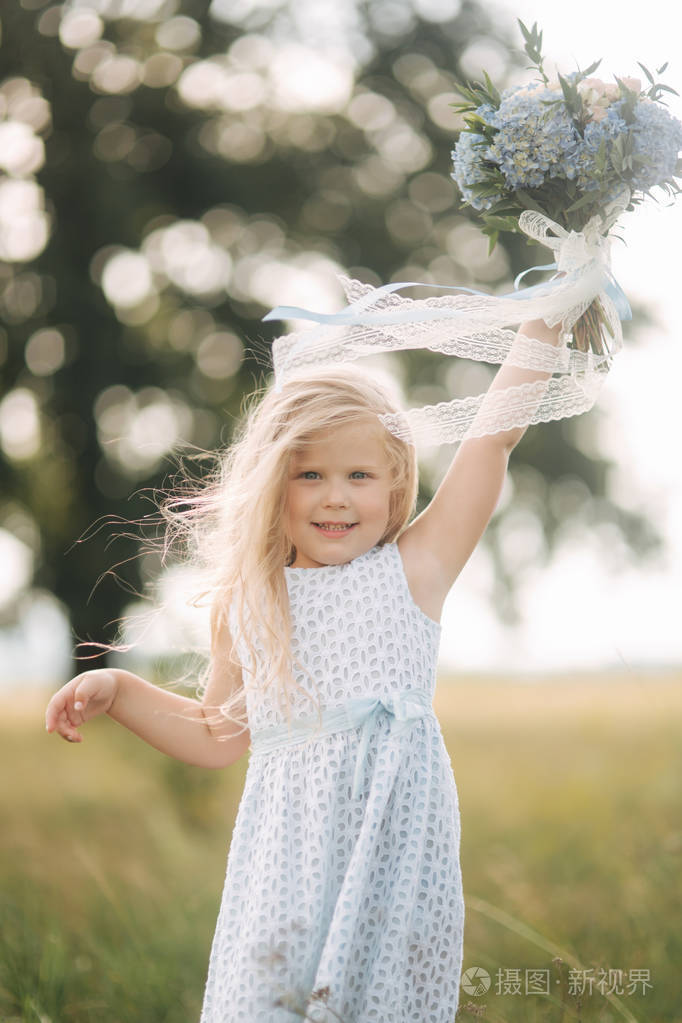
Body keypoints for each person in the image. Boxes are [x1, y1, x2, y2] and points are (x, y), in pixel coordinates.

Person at [45, 312, 562, 1022]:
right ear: (272, 483)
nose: (335, 496)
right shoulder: (252, 605)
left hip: (391, 866)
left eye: (358, 474)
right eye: (309, 474)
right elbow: (215, 734)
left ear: (395, 482)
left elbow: (494, 438)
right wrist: (119, 690)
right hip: (283, 873)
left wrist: (547, 323)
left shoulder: (416, 569)